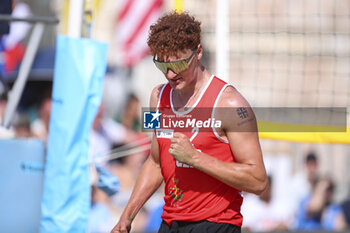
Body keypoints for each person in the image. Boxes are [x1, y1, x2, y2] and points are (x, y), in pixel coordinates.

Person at [111, 11, 267, 233]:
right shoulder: (157, 97)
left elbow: (258, 181)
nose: (171, 74)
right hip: (171, 221)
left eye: (179, 64)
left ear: (198, 52)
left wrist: (195, 157)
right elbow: (155, 162)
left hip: (215, 224)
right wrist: (126, 217)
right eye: (163, 66)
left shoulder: (229, 103)